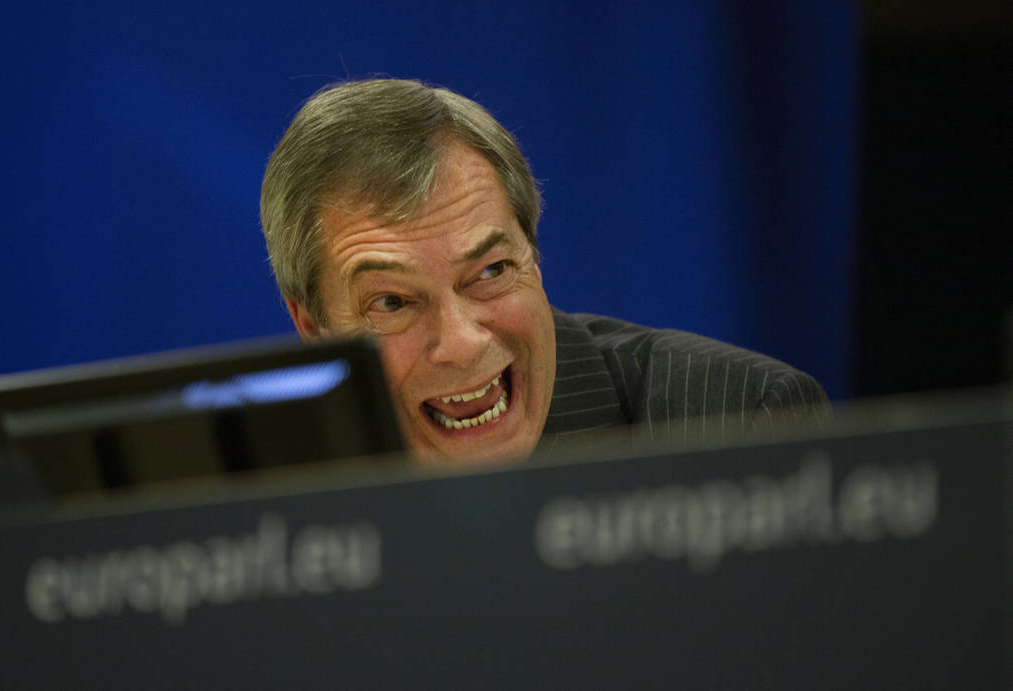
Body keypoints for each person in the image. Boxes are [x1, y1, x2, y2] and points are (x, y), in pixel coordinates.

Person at [260, 78, 829, 465]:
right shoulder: (258, 496)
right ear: (312, 329)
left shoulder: (737, 423)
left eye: (490, 271)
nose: (460, 344)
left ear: (533, 255)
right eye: (392, 303)